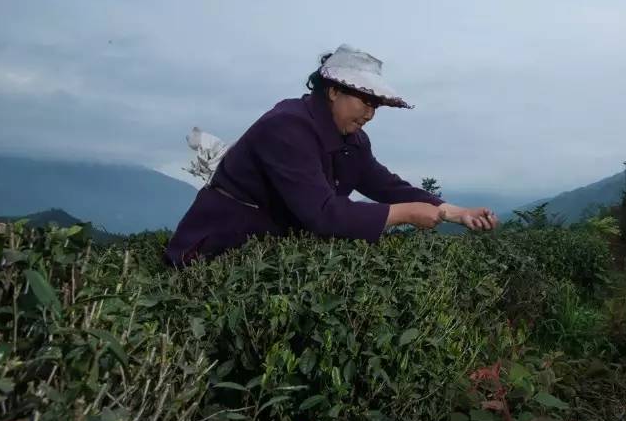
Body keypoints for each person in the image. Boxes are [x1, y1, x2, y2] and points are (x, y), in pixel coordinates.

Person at [164, 45, 498, 267]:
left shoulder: (351, 139)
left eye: (375, 105)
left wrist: (455, 212)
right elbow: (322, 214)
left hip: (266, 254)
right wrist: (407, 214)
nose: (369, 113)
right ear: (334, 90)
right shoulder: (287, 127)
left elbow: (386, 186)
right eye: (364, 101)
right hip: (217, 249)